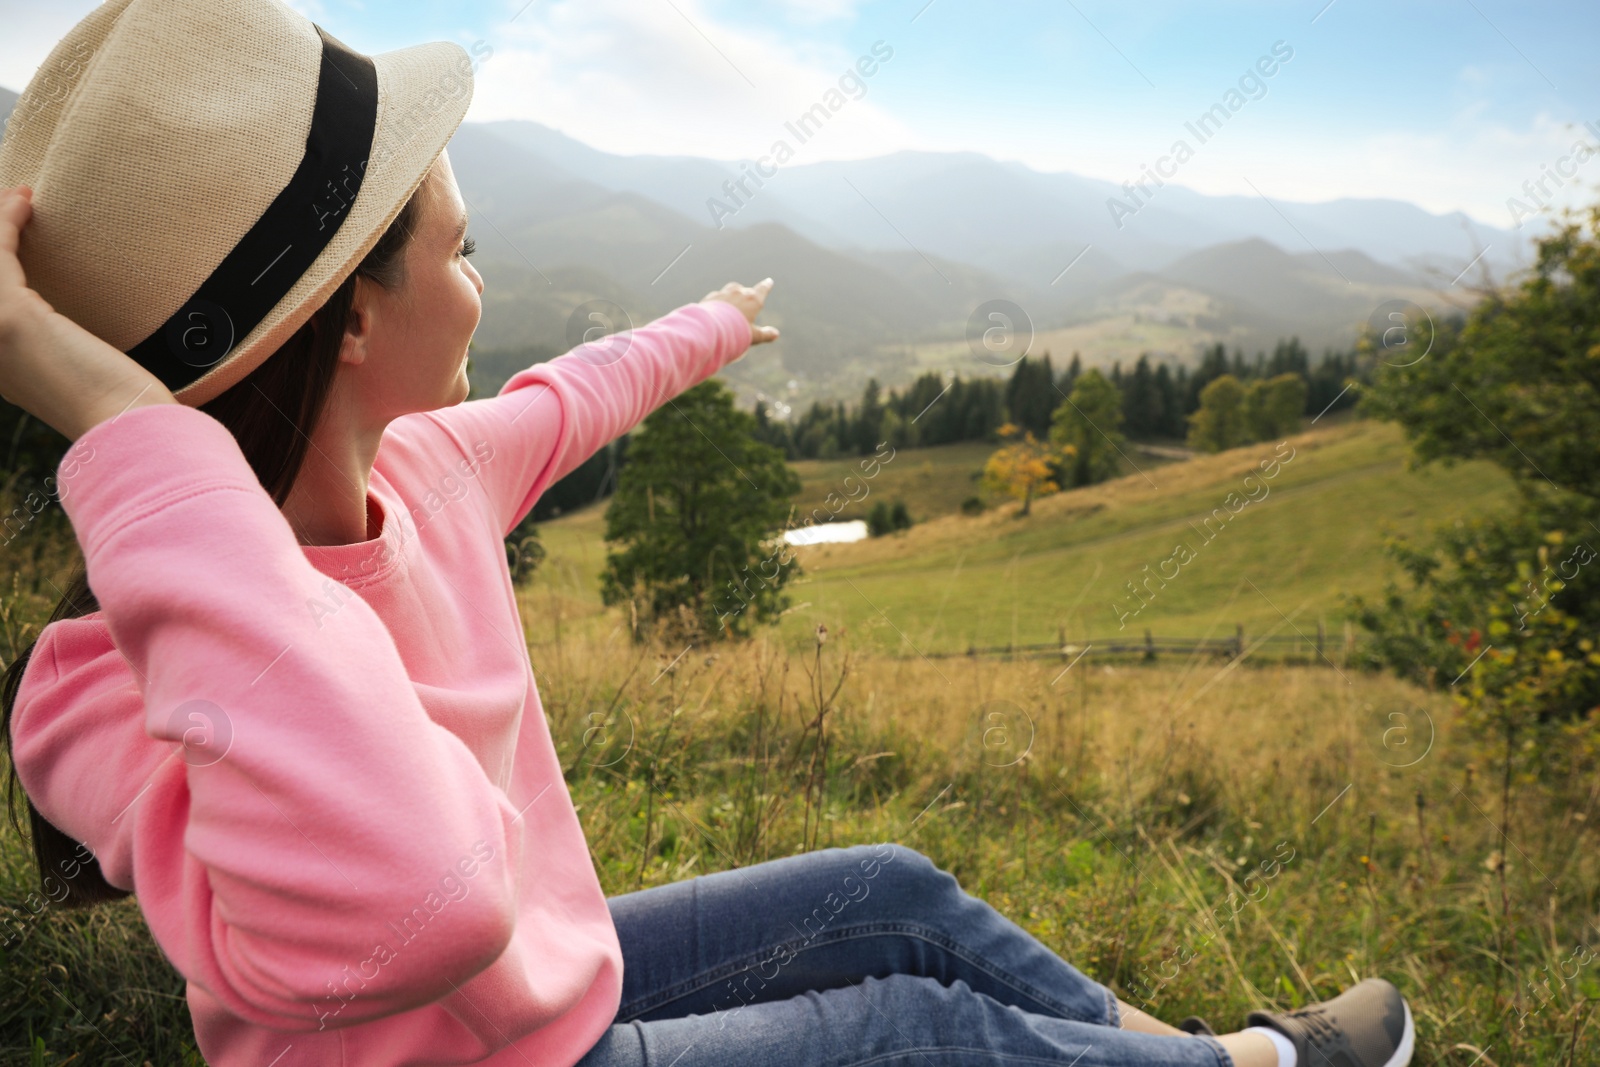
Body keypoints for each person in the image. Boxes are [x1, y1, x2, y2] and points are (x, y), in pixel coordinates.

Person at [0, 2, 1413, 1065]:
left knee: (893, 895)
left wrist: (715, 326)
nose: (482, 280)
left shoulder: (431, 471)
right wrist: (132, 433)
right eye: (463, 248)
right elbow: (422, 903)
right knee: (910, 1030)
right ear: (353, 317)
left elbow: (573, 397)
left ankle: (1211, 1065)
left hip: (563, 1000)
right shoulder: (102, 687)